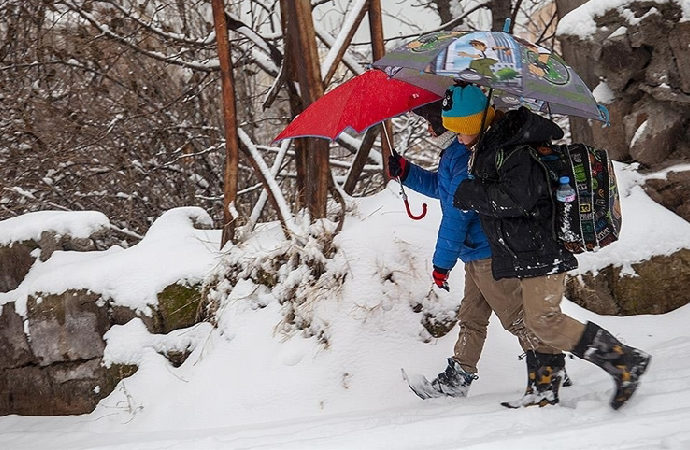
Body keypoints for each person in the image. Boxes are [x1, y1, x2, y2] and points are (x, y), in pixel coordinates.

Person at [447, 84, 651, 409]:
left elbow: (519, 199)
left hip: (541, 248)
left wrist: (472, 194)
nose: (456, 137)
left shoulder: (514, 151)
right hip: (526, 250)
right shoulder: (496, 147)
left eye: (459, 129)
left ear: (475, 123)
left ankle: (624, 361)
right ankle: (543, 390)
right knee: (536, 319)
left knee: (543, 320)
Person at [388, 98, 568, 404]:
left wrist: (441, 264)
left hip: (488, 252)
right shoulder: (453, 154)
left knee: (516, 318)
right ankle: (456, 380)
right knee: (471, 317)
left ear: (445, 127)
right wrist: (408, 173)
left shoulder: (464, 158)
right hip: (475, 253)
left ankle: (549, 370)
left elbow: (456, 217)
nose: (427, 130)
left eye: (430, 124)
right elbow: (442, 190)